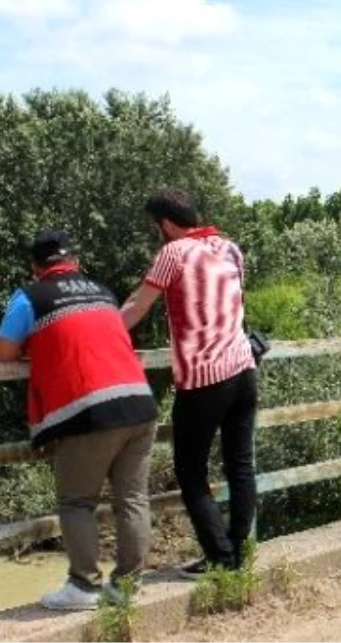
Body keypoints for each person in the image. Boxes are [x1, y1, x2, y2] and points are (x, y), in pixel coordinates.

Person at [0, 230, 157, 611]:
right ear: (75, 262)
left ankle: (84, 586)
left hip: (90, 410)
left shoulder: (30, 297)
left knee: (76, 501)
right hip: (139, 402)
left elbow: (2, 350)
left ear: (35, 268)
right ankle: (127, 587)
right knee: (132, 498)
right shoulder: (103, 291)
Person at [121, 189, 258, 577]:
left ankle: (220, 559)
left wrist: (100, 336)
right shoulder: (230, 248)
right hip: (243, 369)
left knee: (191, 471)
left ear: (165, 224)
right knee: (240, 465)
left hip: (204, 376)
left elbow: (138, 304)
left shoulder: (174, 252)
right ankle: (238, 552)